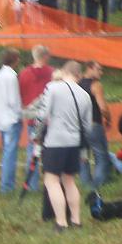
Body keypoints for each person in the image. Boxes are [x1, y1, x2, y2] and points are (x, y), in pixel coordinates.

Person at [37, 60, 93, 230]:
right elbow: (87, 127)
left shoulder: (53, 88)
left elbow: (42, 115)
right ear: (79, 75)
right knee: (69, 180)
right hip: (74, 143)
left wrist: (35, 136)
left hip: (55, 142)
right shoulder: (85, 95)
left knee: (52, 180)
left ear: (63, 71)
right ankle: (76, 220)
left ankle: (61, 222)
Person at [19, 46, 54, 192]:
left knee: (32, 152)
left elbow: (20, 95)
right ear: (45, 56)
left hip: (33, 118)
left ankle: (32, 185)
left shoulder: (24, 74)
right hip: (50, 119)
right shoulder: (52, 72)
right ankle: (51, 184)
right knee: (51, 152)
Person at [0, 48, 23, 194]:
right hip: (10, 118)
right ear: (16, 60)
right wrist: (21, 113)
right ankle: (7, 187)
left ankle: (6, 185)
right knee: (10, 153)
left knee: (6, 152)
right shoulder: (11, 76)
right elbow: (13, 100)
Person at [78, 61, 112, 188]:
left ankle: (86, 185)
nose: (101, 73)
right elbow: (103, 107)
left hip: (79, 127)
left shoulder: (76, 83)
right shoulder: (96, 85)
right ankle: (98, 185)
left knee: (83, 157)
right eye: (99, 69)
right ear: (89, 68)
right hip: (93, 125)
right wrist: (108, 119)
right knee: (101, 156)